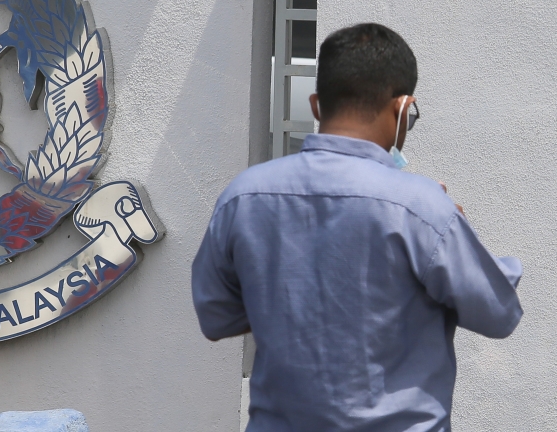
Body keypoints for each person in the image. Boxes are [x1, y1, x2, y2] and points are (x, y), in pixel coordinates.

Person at [192, 23, 522, 432]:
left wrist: (289, 299)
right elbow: (499, 314)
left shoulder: (242, 197)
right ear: (403, 108)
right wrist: (454, 232)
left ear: (316, 105)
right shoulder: (420, 207)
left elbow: (216, 317)